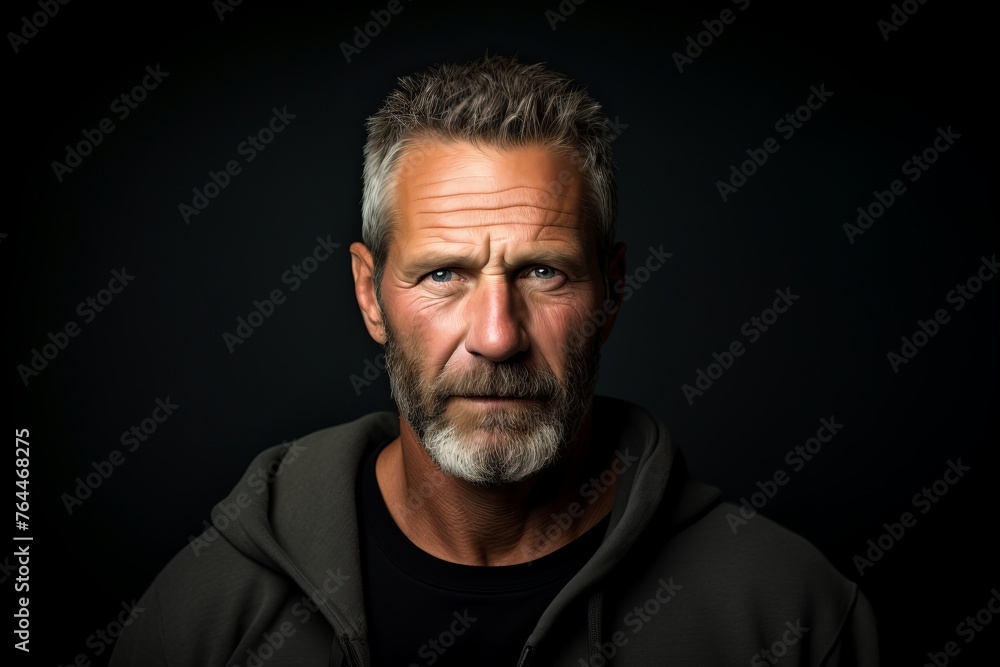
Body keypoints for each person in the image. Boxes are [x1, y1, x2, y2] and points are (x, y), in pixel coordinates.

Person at [111, 54, 879, 666]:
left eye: (543, 271)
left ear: (611, 292)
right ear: (370, 295)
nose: (498, 335)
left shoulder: (789, 613)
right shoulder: (208, 613)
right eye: (443, 273)